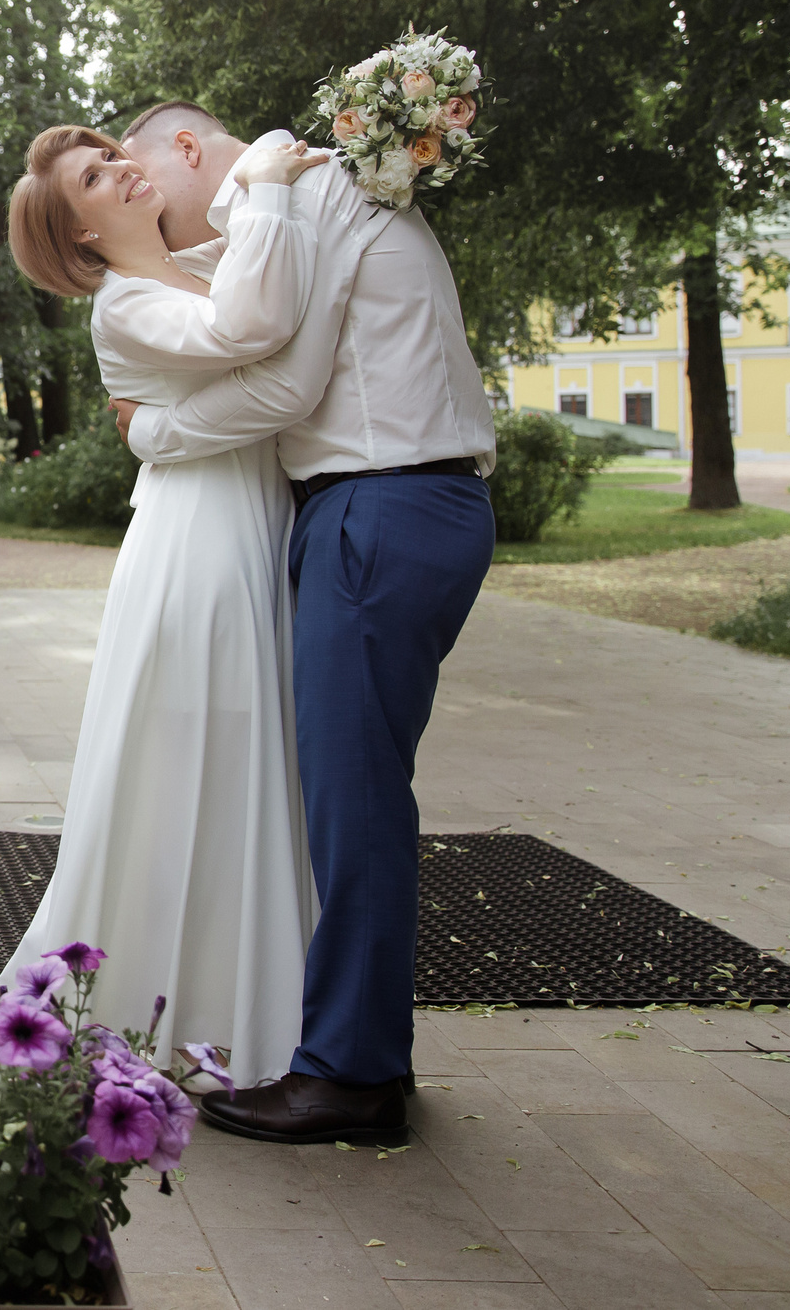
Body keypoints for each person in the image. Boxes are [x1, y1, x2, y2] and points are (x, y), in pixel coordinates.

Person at [110, 101, 496, 1147]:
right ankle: (365, 1053)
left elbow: (283, 377)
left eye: (143, 179)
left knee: (354, 803)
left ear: (187, 150)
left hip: (381, 506)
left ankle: (349, 1076)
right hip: (398, 505)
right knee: (351, 794)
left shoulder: (301, 194)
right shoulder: (306, 195)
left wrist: (154, 431)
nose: (151, 209)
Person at [1, 115, 330, 1087]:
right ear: (83, 237)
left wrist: (161, 428)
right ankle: (163, 1005)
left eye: (110, 157)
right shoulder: (126, 304)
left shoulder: (198, 263)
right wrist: (266, 178)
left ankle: (234, 1002)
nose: (120, 170)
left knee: (247, 762)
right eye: (95, 180)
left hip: (250, 523)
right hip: (199, 549)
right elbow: (248, 334)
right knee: (199, 757)